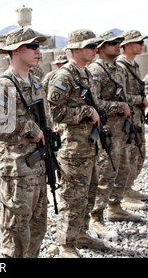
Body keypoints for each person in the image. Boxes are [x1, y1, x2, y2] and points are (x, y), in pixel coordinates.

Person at [0, 27, 48, 257]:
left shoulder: (36, 82)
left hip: (38, 166)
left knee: (37, 228)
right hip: (17, 171)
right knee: (16, 235)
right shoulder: (5, 85)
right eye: (32, 46)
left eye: (38, 46)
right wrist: (29, 129)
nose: (38, 51)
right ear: (16, 50)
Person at [46, 29, 107, 258]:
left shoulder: (86, 74)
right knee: (72, 198)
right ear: (76, 49)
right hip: (72, 148)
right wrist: (85, 111)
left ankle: (81, 233)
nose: (95, 50)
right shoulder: (65, 76)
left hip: (89, 145)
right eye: (90, 46)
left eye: (95, 46)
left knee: (89, 193)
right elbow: (54, 113)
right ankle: (66, 244)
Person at [87, 32, 139, 241]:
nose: (118, 46)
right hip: (106, 132)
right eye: (113, 43)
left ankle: (115, 206)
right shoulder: (95, 70)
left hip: (121, 130)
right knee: (104, 175)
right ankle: (96, 216)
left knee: (121, 169)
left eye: (119, 43)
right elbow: (94, 102)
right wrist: (120, 107)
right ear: (100, 48)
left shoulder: (118, 69)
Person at [115, 30, 148, 211]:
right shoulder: (121, 66)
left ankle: (129, 188)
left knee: (138, 155)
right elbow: (120, 95)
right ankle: (123, 194)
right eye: (138, 42)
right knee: (127, 157)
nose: (141, 45)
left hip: (137, 117)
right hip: (127, 119)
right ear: (126, 45)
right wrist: (139, 100)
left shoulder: (133, 65)